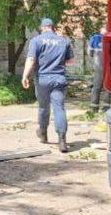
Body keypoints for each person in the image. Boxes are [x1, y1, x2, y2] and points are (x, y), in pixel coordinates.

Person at [22, 17, 74, 152]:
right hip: (59, 79)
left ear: (42, 28)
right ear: (53, 27)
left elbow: (31, 59)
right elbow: (70, 62)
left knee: (43, 107)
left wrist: (25, 75)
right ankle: (62, 141)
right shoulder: (64, 41)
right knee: (59, 109)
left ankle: (43, 134)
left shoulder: (36, 40)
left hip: (43, 80)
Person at [89, 24, 111, 110]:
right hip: (108, 67)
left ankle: (94, 107)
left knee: (96, 86)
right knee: (107, 87)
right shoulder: (110, 38)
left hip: (98, 66)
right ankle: (106, 107)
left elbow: (90, 52)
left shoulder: (94, 38)